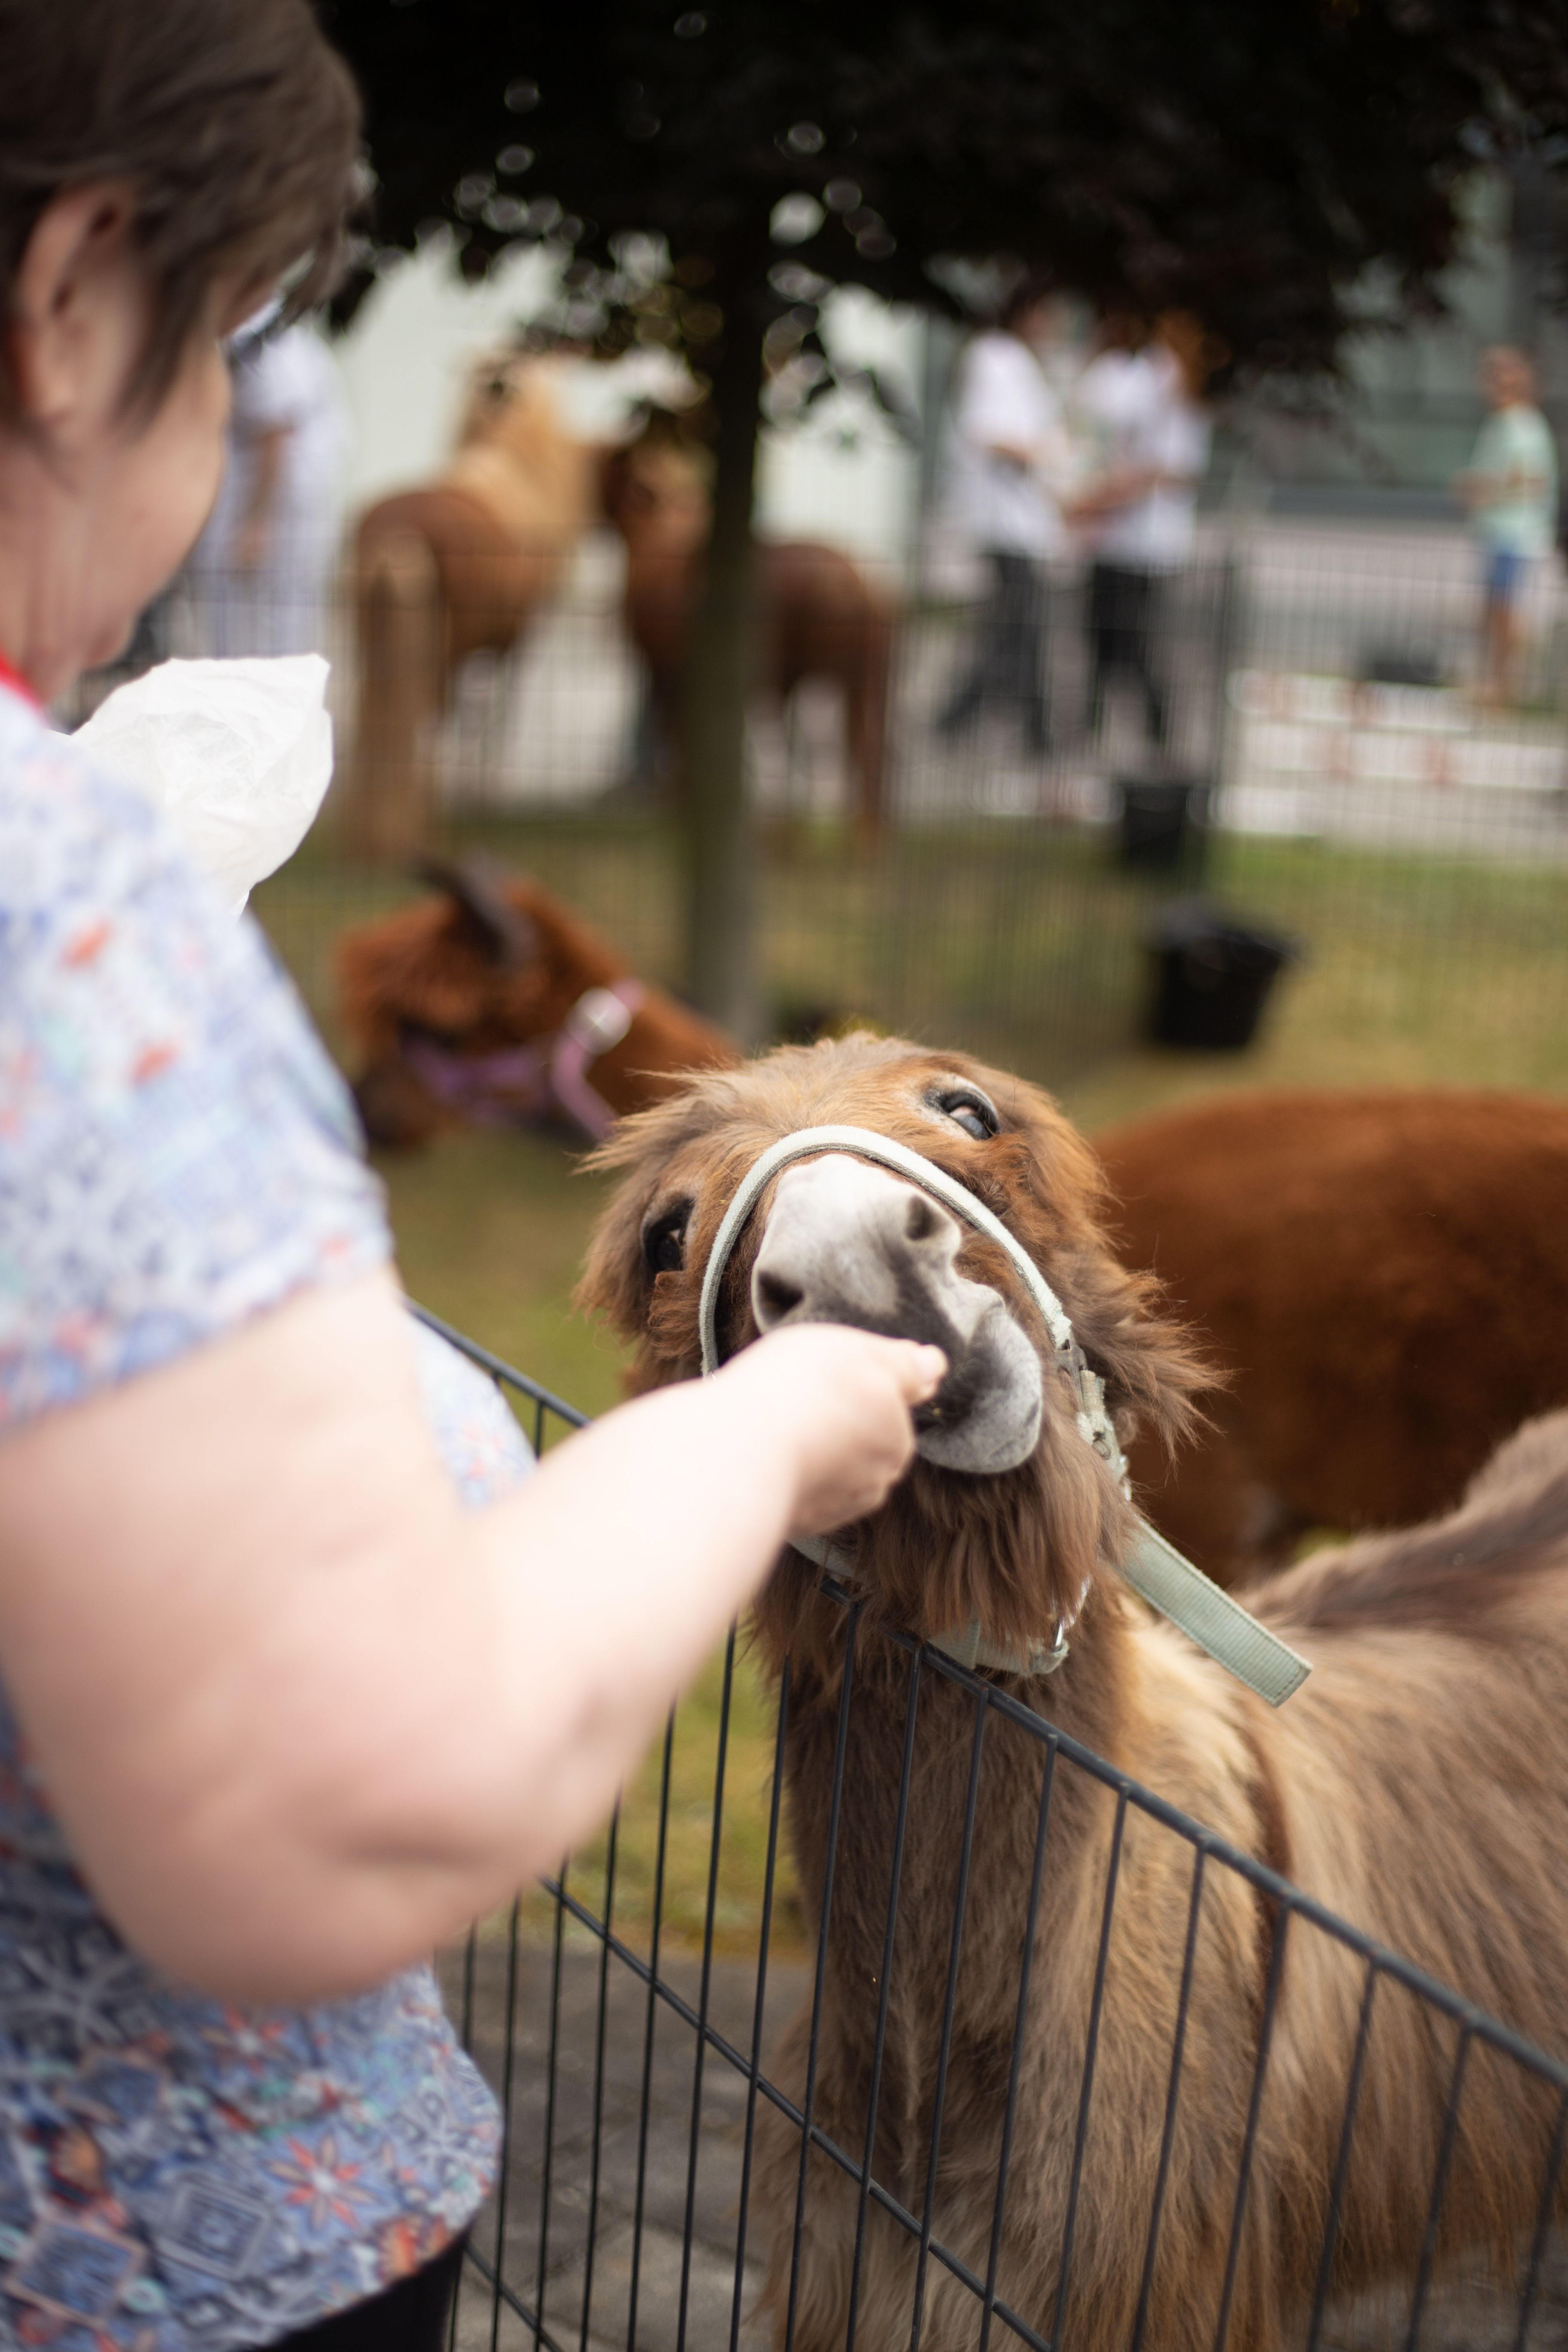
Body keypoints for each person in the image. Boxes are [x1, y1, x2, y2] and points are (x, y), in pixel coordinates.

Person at [0, 8, 942, 2352]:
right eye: (224, 360)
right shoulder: (60, 921)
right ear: (75, 302)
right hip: (138, 2263)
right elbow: (337, 1806)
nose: (218, 457)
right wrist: (760, 1430)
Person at [937, 284, 1074, 756]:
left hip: (1024, 521)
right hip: (1002, 519)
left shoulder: (1022, 363)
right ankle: (1014, 727)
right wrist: (1045, 455)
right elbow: (989, 433)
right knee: (1019, 624)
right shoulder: (994, 356)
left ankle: (1012, 725)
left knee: (1017, 625)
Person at [1070, 311, 1214, 753]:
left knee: (1132, 643)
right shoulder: (1148, 376)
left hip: (1144, 541)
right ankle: (1097, 730)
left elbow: (1163, 468)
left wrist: (1102, 498)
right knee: (1105, 640)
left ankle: (1154, 733)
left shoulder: (1168, 383)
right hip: (1119, 537)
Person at [188, 313, 352, 657]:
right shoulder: (287, 327)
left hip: (267, 504)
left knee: (256, 624)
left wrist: (256, 522)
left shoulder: (253, 332)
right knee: (280, 618)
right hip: (287, 502)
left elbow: (275, 432)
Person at [1452, 346, 1559, 710]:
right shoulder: (1501, 423)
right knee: (1493, 612)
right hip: (1497, 531)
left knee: (1506, 613)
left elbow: (1530, 481)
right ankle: (1493, 683)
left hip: (1517, 533)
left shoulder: (1523, 425)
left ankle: (1505, 687)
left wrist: (1481, 489)